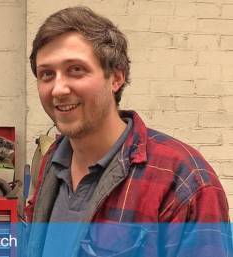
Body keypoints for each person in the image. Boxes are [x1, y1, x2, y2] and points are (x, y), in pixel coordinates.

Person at [25, 6, 231, 257]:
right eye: (47, 74)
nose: (58, 89)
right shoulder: (53, 160)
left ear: (116, 78)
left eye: (76, 70)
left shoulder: (184, 180)